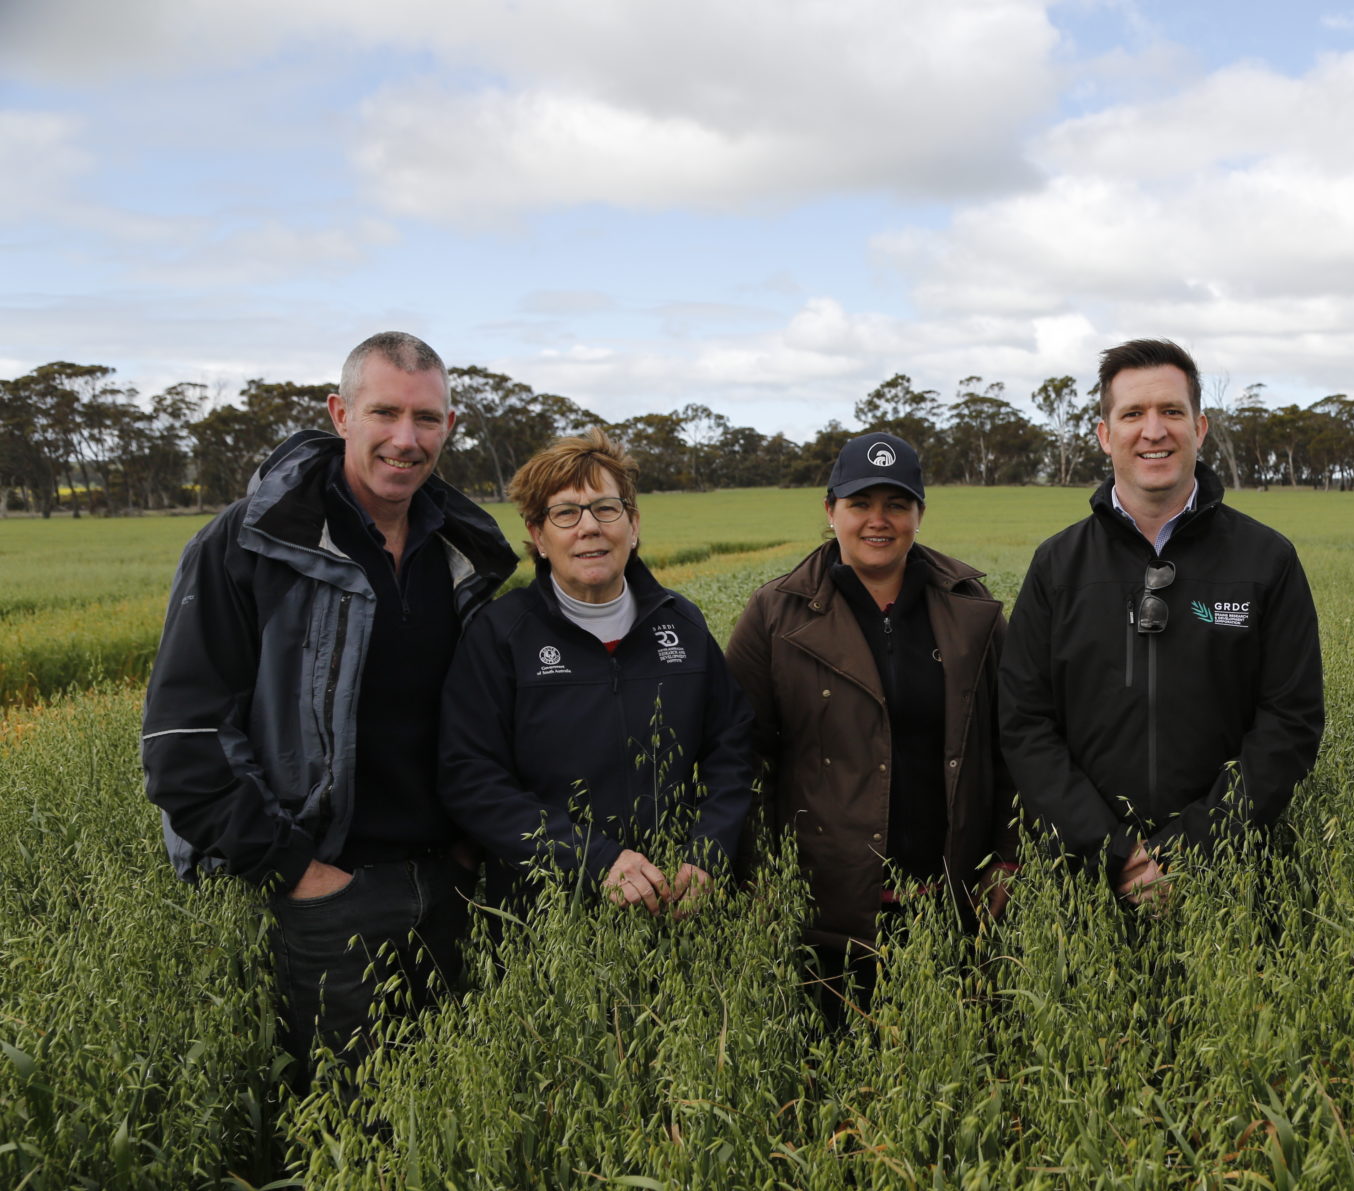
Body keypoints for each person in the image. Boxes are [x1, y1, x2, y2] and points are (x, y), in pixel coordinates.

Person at [141, 332, 517, 1086]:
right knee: (341, 1130)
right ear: (340, 413)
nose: (405, 439)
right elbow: (184, 741)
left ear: (452, 426)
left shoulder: (465, 554)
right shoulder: (247, 544)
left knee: (447, 1121)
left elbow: (489, 719)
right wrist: (298, 873)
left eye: (427, 418)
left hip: (449, 890)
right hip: (323, 896)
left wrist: (469, 853)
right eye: (385, 412)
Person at [999, 338, 1324, 906]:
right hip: (1084, 888)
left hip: (1230, 882)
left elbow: (1289, 723)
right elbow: (1025, 723)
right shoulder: (1057, 566)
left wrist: (1192, 850)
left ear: (1200, 428)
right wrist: (1111, 849)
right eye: (1132, 414)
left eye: (1171, 411)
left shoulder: (1266, 561)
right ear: (1105, 435)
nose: (1154, 431)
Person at [725, 431, 1015, 1023]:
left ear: (919, 514)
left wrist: (1007, 857)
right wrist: (755, 878)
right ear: (830, 511)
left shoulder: (971, 606)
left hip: (951, 907)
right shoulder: (773, 614)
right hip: (825, 917)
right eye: (860, 504)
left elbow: (1012, 741)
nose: (878, 521)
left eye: (897, 505)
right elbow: (739, 757)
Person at [439, 431, 754, 915]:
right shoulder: (500, 635)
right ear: (539, 536)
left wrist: (709, 850)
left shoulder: (682, 624)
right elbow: (471, 779)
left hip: (679, 906)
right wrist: (593, 860)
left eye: (606, 508)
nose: (589, 527)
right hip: (549, 921)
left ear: (633, 524)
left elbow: (731, 749)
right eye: (565, 513)